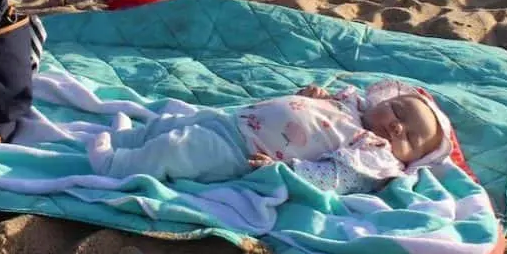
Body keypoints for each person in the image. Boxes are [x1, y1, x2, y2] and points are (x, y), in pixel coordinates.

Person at [87, 79, 453, 194]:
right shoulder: (352, 105)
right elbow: (316, 111)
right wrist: (315, 97)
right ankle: (129, 139)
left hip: (244, 151)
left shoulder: (372, 152)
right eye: (399, 113)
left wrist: (288, 171)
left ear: (410, 159)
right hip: (238, 120)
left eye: (409, 137)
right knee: (174, 122)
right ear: (384, 100)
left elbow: (336, 178)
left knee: (177, 148)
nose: (397, 127)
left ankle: (116, 165)